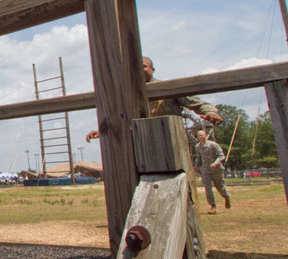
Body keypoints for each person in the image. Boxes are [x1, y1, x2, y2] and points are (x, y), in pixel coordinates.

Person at [85, 56, 224, 141]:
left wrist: (210, 113)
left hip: (170, 140)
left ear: (153, 69)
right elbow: (119, 118)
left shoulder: (167, 88)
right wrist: (104, 130)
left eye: (143, 66)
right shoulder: (128, 95)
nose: (138, 69)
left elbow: (198, 104)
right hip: (141, 142)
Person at [194, 130, 232, 213]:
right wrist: (196, 166)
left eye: (202, 135)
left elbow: (221, 156)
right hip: (205, 170)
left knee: (219, 186)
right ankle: (213, 206)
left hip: (216, 169)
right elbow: (199, 157)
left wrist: (215, 163)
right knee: (207, 188)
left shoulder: (213, 145)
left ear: (205, 135)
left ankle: (226, 196)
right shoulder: (197, 147)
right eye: (199, 135)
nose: (200, 137)